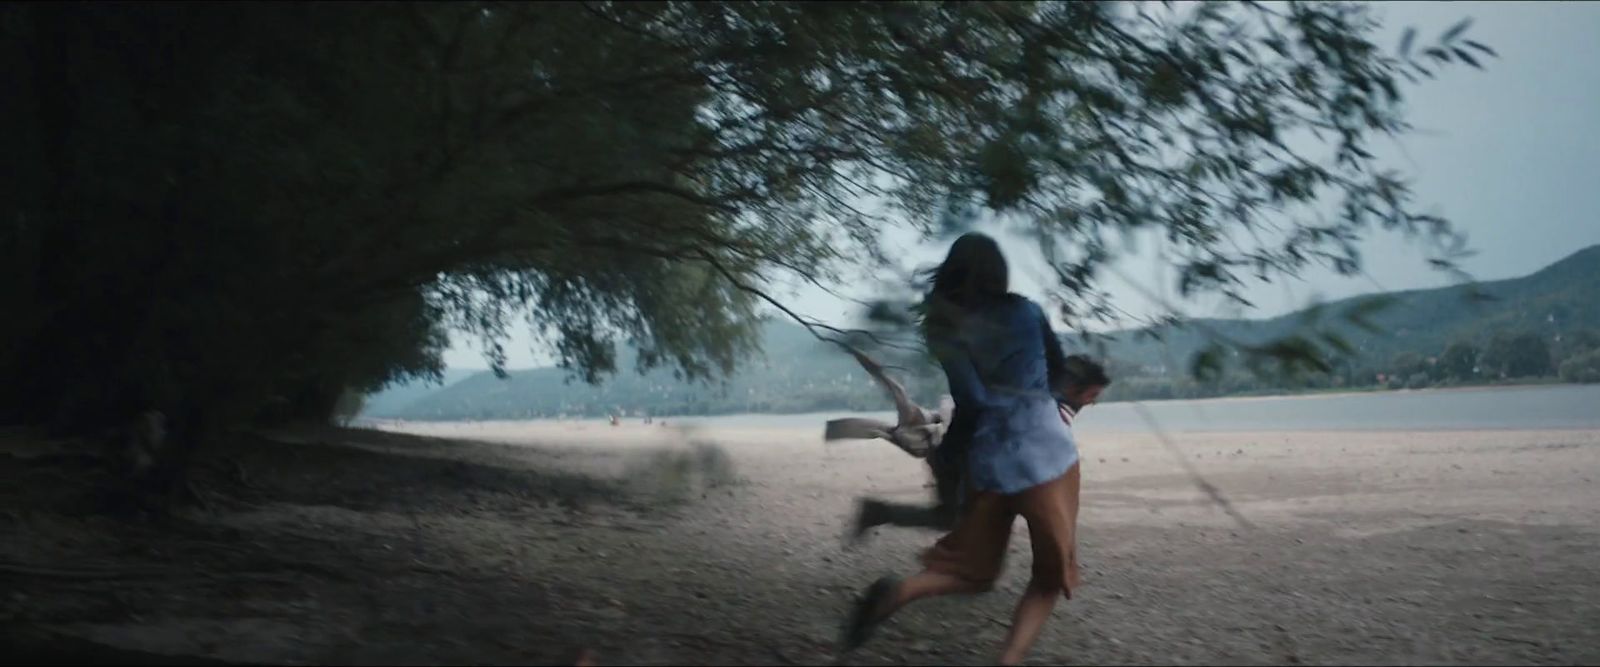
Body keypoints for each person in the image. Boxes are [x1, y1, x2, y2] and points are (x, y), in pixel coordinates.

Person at [839, 232, 1107, 666]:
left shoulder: (945, 330)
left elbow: (973, 402)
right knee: (1048, 578)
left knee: (971, 573)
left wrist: (950, 454)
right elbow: (1059, 371)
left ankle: (899, 592)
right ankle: (1009, 660)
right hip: (1047, 456)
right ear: (1000, 271)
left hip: (991, 464)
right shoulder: (1026, 310)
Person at [848, 353, 1108, 543]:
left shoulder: (1036, 390)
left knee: (956, 516)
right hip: (962, 454)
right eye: (1092, 396)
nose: (1092, 403)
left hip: (958, 447)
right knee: (958, 518)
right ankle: (886, 520)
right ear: (1074, 388)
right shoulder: (1053, 409)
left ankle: (881, 515)